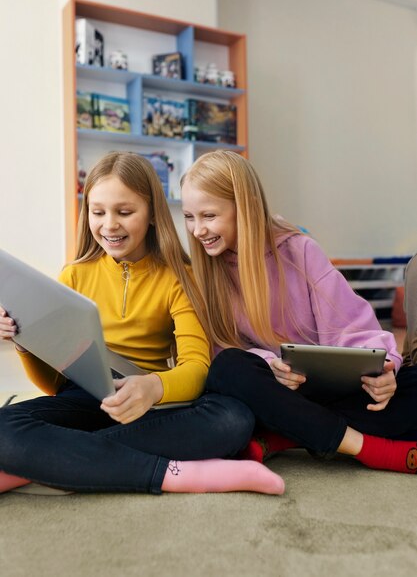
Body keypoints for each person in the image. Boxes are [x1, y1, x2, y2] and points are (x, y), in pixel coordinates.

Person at [0, 151, 285, 495]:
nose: (109, 225)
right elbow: (53, 384)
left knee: (233, 419)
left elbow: (197, 367)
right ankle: (175, 475)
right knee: (4, 426)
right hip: (86, 399)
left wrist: (152, 388)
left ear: (151, 214)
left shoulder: (180, 277)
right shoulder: (74, 275)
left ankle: (46, 462)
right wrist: (24, 343)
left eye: (124, 212)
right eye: (98, 211)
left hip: (151, 402)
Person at [180, 149, 417, 474]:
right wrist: (271, 365)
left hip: (322, 392)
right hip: (270, 388)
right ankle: (365, 447)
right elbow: (218, 350)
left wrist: (384, 371)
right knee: (227, 368)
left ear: (244, 208)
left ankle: (284, 435)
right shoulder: (202, 273)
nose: (197, 230)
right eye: (189, 217)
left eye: (208, 216)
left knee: (412, 383)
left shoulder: (299, 250)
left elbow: (353, 326)